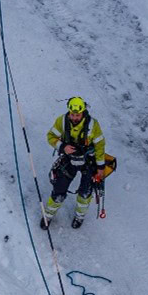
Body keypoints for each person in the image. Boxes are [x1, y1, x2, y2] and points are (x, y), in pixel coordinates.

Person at [41, 96, 106, 229]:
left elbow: (100, 145)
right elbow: (50, 136)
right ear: (69, 112)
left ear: (83, 112)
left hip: (88, 161)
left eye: (77, 115)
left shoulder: (93, 125)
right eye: (72, 114)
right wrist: (62, 146)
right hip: (68, 160)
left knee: (85, 193)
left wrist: (100, 167)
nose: (75, 117)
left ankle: (79, 217)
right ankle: (48, 215)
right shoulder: (62, 121)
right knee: (59, 190)